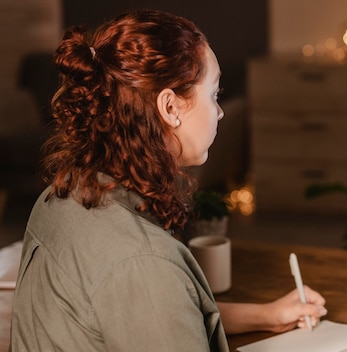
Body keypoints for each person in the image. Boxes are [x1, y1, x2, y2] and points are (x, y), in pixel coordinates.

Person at [9, 9, 327, 352]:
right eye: (214, 94)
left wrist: (268, 315)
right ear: (170, 108)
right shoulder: (143, 260)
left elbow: (146, 312)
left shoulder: (65, 192)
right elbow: (148, 288)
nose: (219, 111)